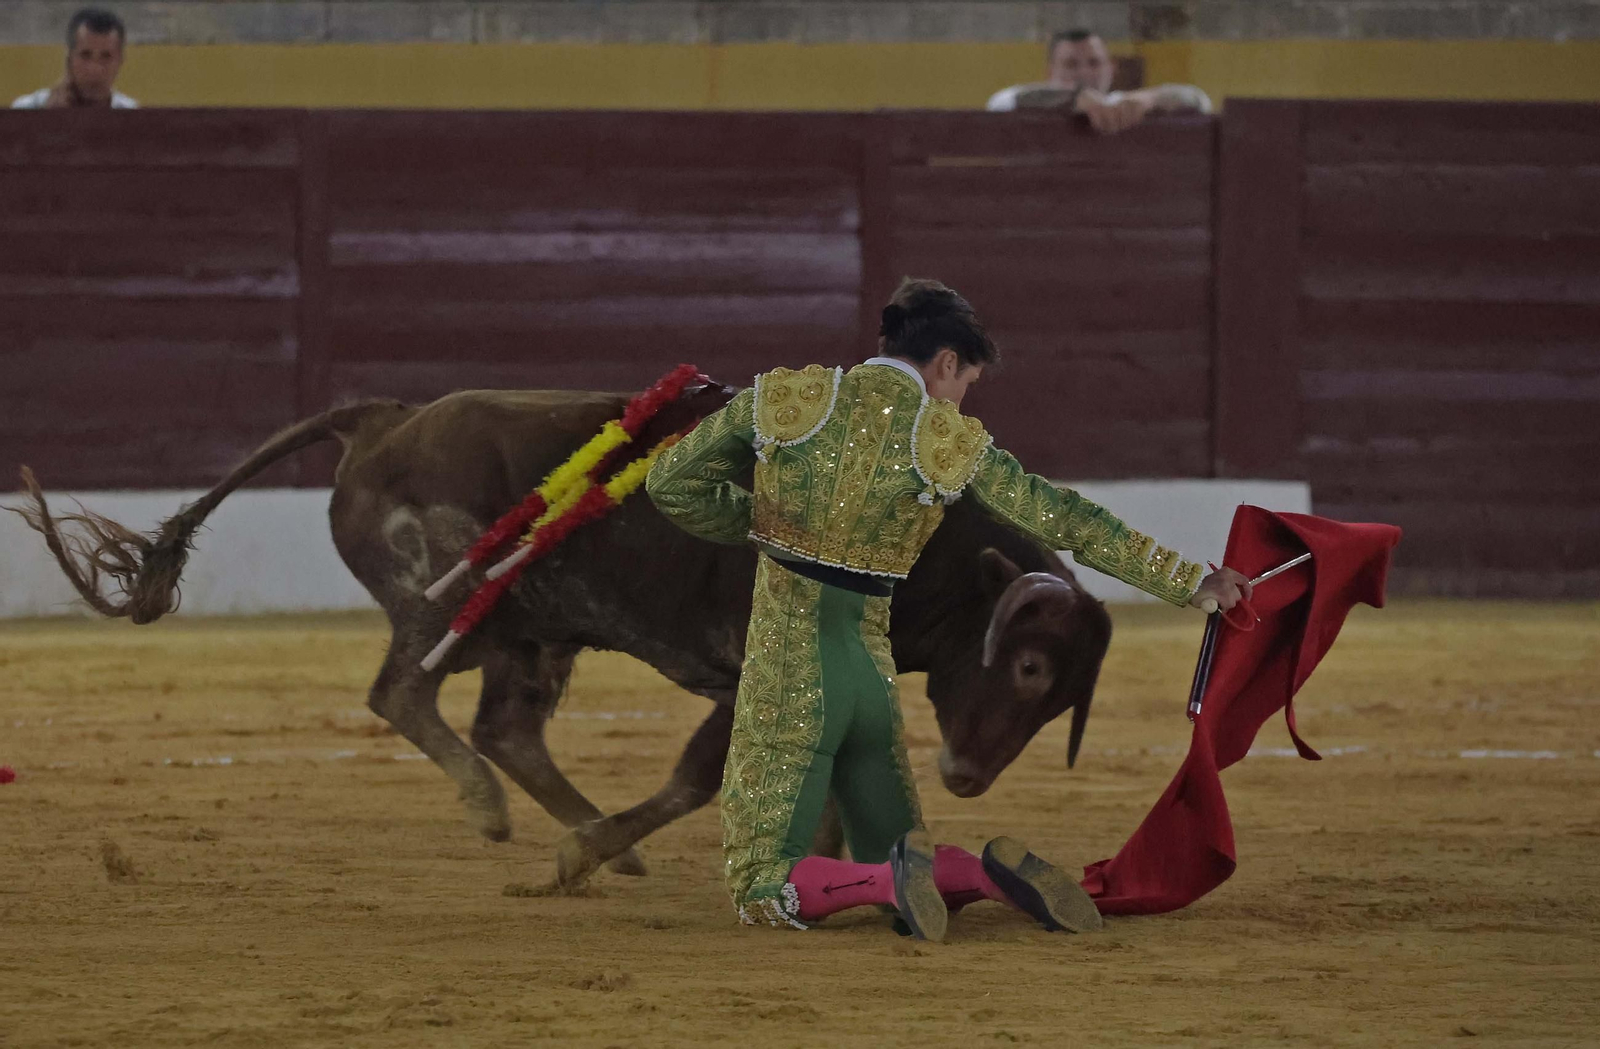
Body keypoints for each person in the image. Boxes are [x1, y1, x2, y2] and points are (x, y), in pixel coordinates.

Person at [645, 277, 1250, 939]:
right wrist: (1190, 581)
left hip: (791, 665)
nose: (960, 398)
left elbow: (669, 482)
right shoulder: (949, 444)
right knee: (895, 854)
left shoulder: (783, 399)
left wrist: (760, 526)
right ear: (946, 362)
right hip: (869, 677)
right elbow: (1065, 519)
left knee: (762, 885)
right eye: (967, 383)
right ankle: (981, 876)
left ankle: (887, 880)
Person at [986, 28, 1210, 134]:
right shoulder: (1033, 103)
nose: (1084, 72)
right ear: (1050, 72)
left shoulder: (1120, 104)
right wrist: (1073, 98)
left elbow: (1199, 100)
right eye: (1071, 64)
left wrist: (1149, 99)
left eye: (1094, 63)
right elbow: (1000, 102)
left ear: (1111, 69)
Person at [12, 8, 138, 110]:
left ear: (121, 60)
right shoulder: (27, 110)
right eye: (85, 55)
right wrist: (47, 120)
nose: (94, 68)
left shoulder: (132, 117)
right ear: (69, 58)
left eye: (106, 57)